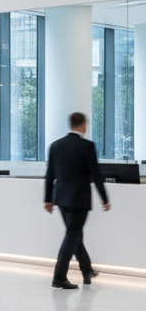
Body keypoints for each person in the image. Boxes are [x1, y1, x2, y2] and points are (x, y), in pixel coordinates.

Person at [44, 111, 111, 289]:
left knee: (75, 234)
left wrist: (48, 199)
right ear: (83, 125)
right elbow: (96, 175)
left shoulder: (55, 146)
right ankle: (59, 277)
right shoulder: (87, 146)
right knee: (72, 235)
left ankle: (87, 269)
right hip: (79, 198)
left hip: (61, 198)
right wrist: (105, 198)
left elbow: (49, 174)